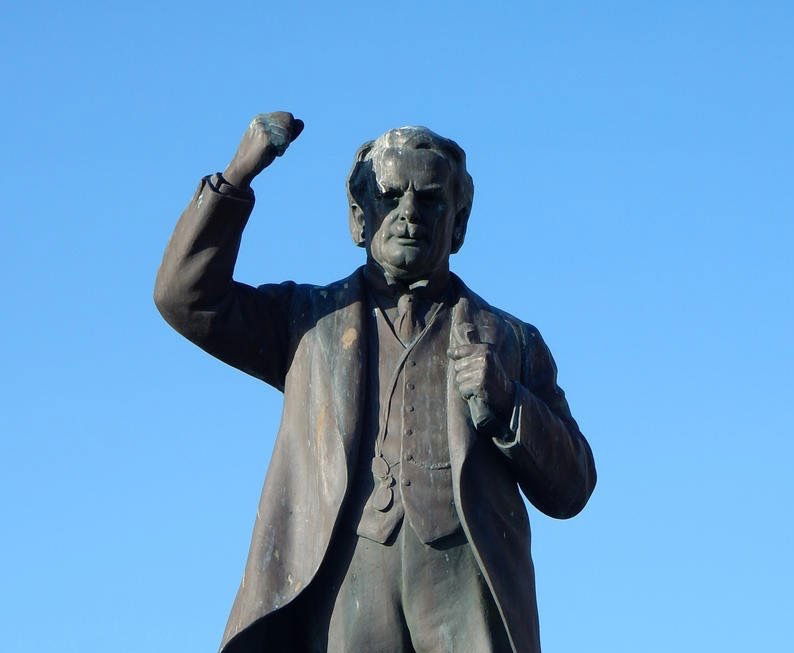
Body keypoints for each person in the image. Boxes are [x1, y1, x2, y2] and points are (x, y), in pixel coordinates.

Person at [154, 111, 596, 653]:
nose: (409, 214)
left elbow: (574, 485)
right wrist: (237, 176)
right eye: (391, 196)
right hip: (344, 590)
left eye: (430, 199)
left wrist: (508, 403)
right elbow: (184, 298)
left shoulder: (513, 341)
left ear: (458, 222)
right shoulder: (307, 322)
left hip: (465, 594)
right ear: (359, 215)